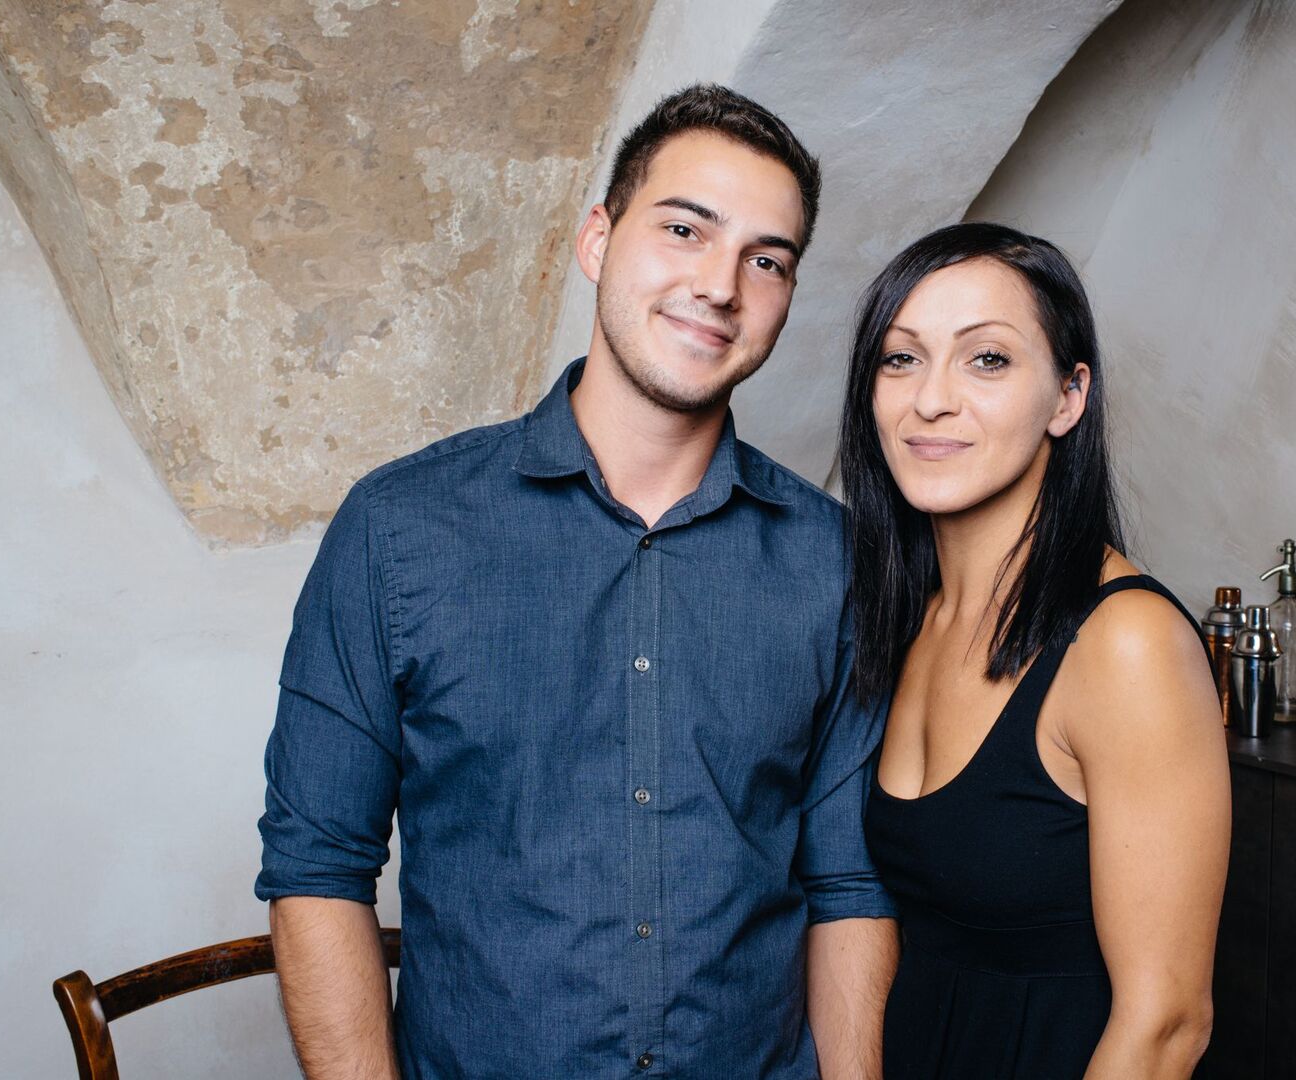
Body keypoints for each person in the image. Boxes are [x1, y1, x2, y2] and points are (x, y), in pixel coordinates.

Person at [256, 84, 899, 1080]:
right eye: (684, 229)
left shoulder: (836, 562)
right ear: (597, 240)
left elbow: (849, 886)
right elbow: (317, 868)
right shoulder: (398, 530)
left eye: (765, 259)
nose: (720, 285)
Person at [840, 223, 1230, 1079]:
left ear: (1067, 397)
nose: (930, 400)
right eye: (901, 359)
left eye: (987, 359)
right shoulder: (910, 617)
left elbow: (1167, 1025)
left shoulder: (1126, 643)